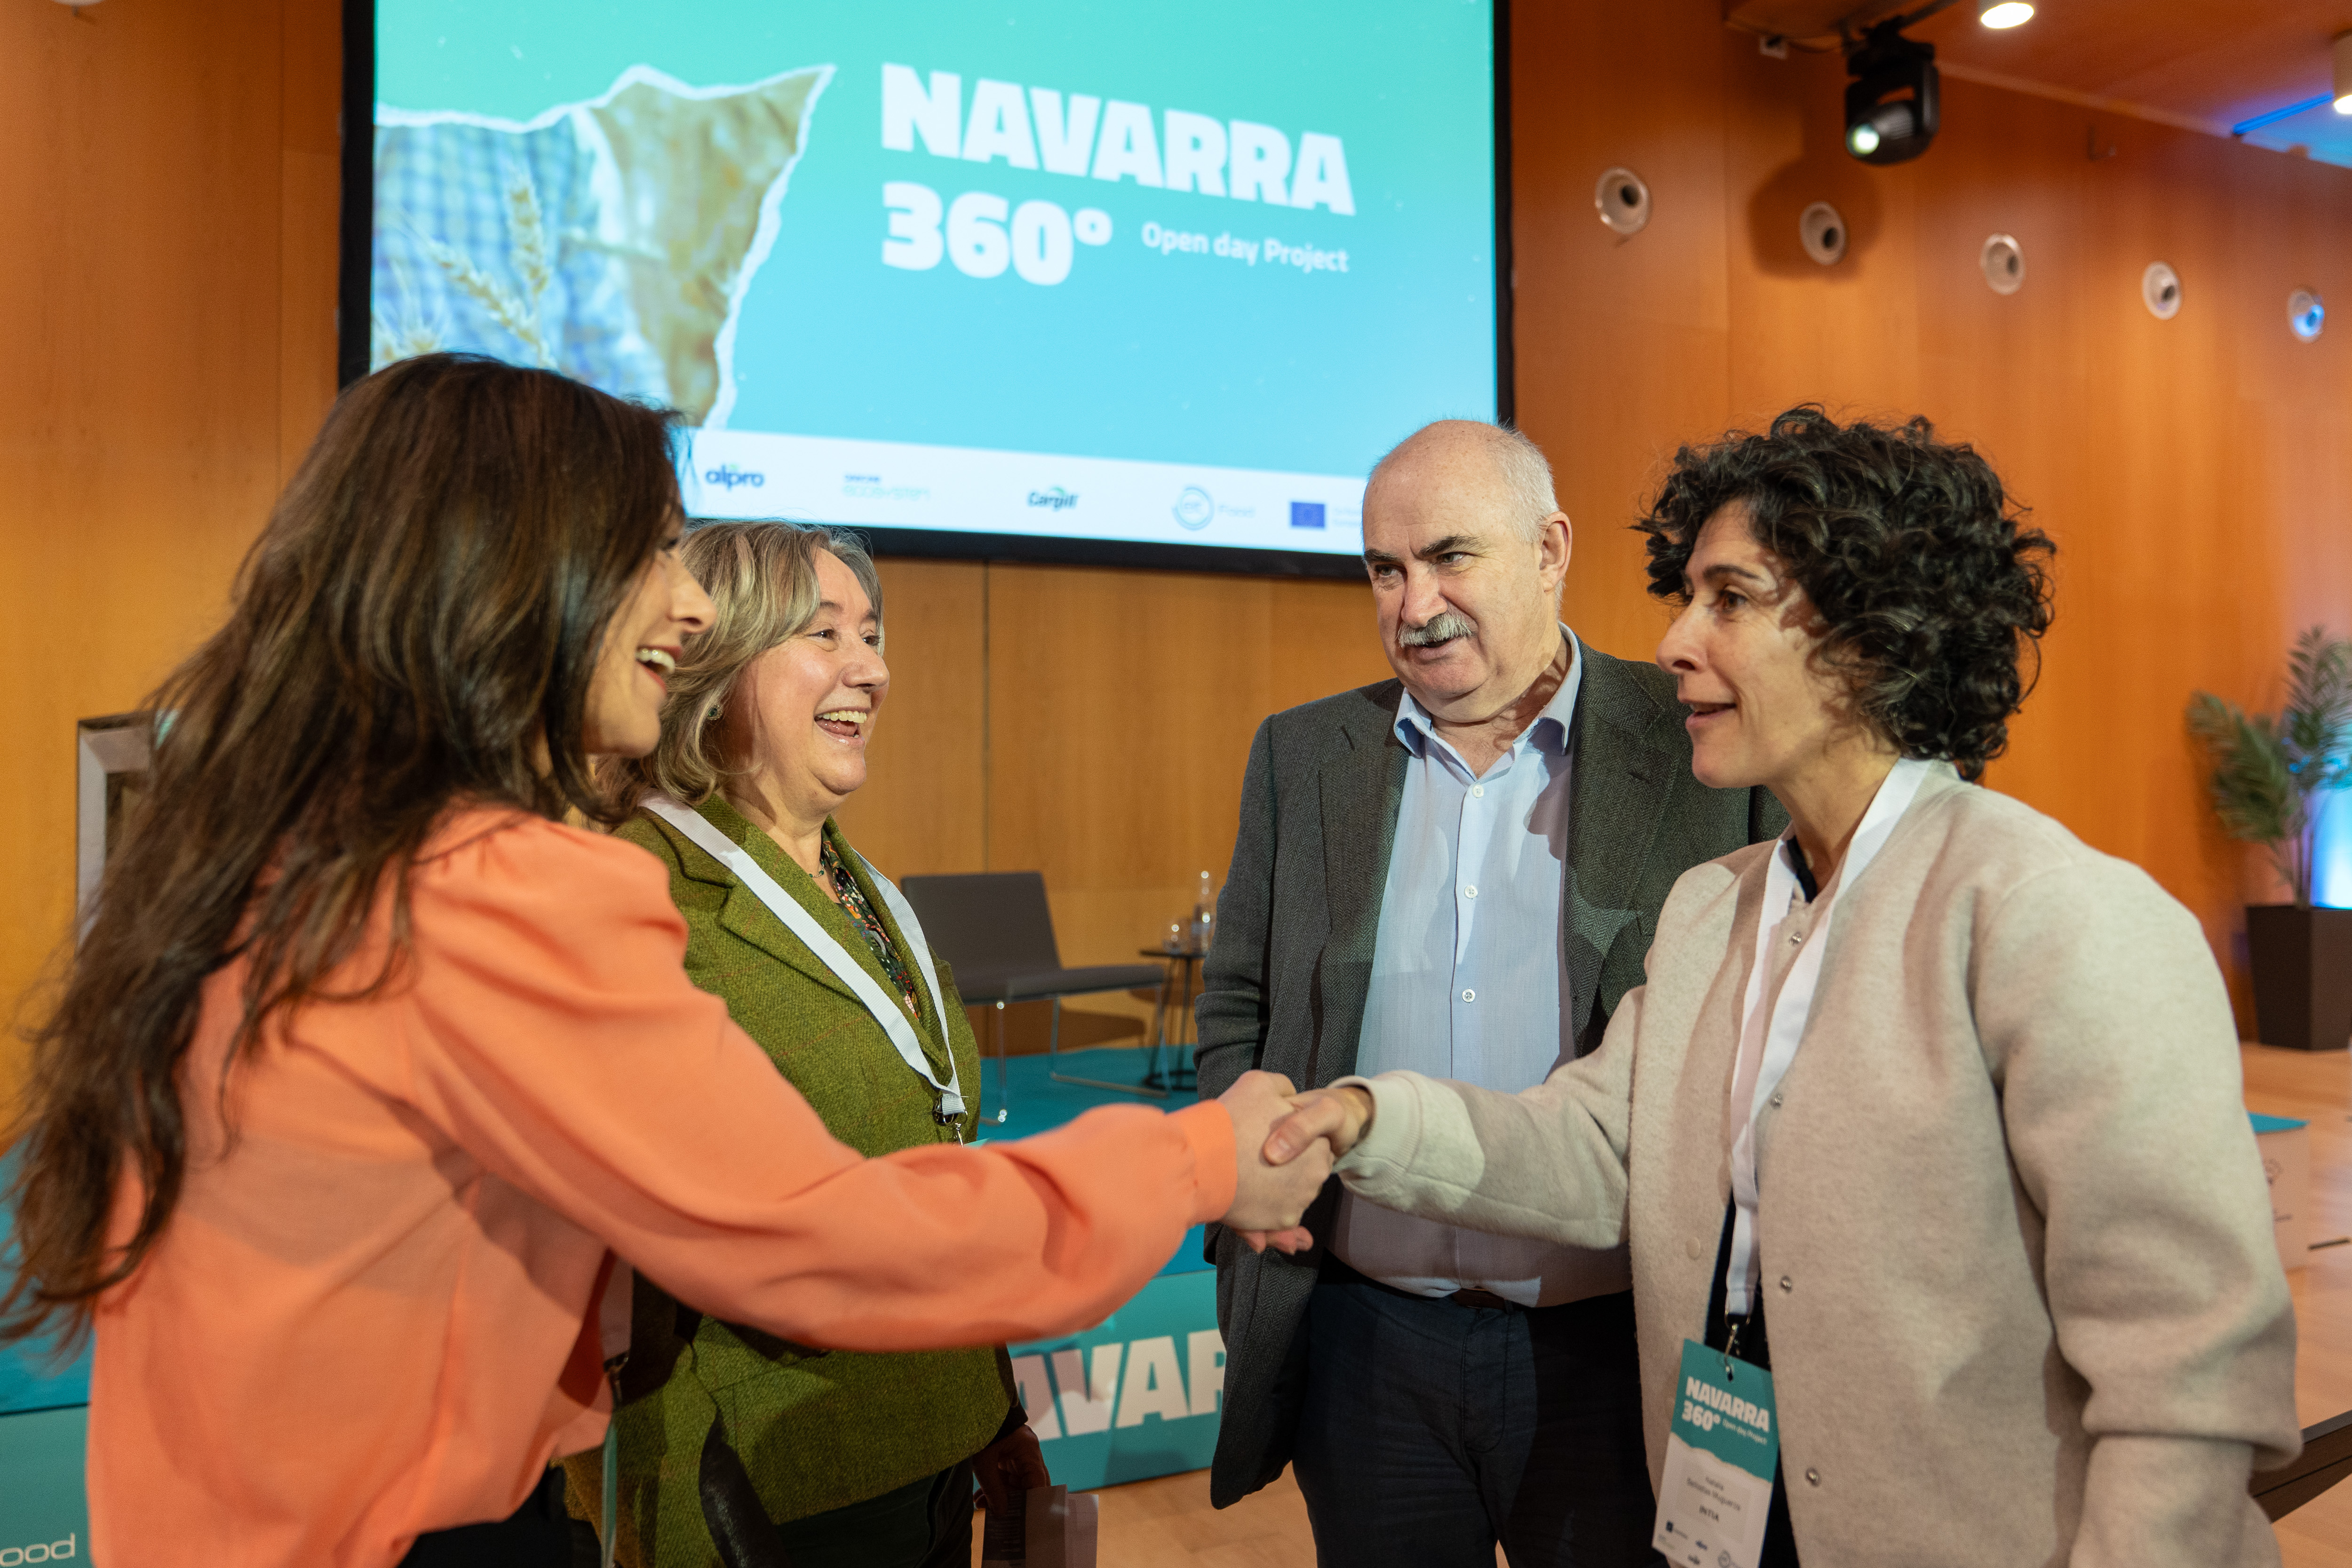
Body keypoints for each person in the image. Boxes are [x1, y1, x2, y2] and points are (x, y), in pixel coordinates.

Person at [0, 353, 1329, 1568]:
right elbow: (818, 1237)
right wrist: (1197, 1158)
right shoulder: (501, 888)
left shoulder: (283, 848)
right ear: (513, 572)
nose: (690, 607)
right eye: (652, 550)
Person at [1264, 408, 2300, 1567]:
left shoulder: (2050, 912)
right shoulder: (1716, 905)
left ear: (1869, 636)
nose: (1672, 642)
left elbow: (2187, 1377)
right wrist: (1360, 1115)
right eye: (1686, 596)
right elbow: (1599, 1145)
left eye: (1729, 599)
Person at [1195, 419, 1783, 1566]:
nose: (1414, 604)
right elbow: (1238, 1007)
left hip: (1614, 1349)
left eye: (1449, 556)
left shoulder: (1699, 748)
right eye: (1385, 568)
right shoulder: (1302, 758)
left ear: (1550, 548)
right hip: (1364, 1346)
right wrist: (1251, 1161)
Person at [568, 520, 1038, 1567]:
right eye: (824, 634)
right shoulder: (635, 893)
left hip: (936, 1454)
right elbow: (618, 1278)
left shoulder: (860, 888)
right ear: (716, 667)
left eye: (871, 635)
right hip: (775, 1493)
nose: (871, 669)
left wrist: (994, 1407)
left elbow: (933, 1150)